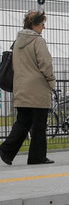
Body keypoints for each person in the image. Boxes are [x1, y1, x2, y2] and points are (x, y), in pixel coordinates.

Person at [0, 11, 56, 165]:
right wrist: (51, 81)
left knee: (23, 122)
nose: (43, 27)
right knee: (39, 125)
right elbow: (45, 64)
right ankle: (36, 157)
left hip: (20, 88)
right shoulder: (38, 41)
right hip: (37, 89)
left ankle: (6, 151)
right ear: (34, 25)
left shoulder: (18, 41)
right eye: (42, 24)